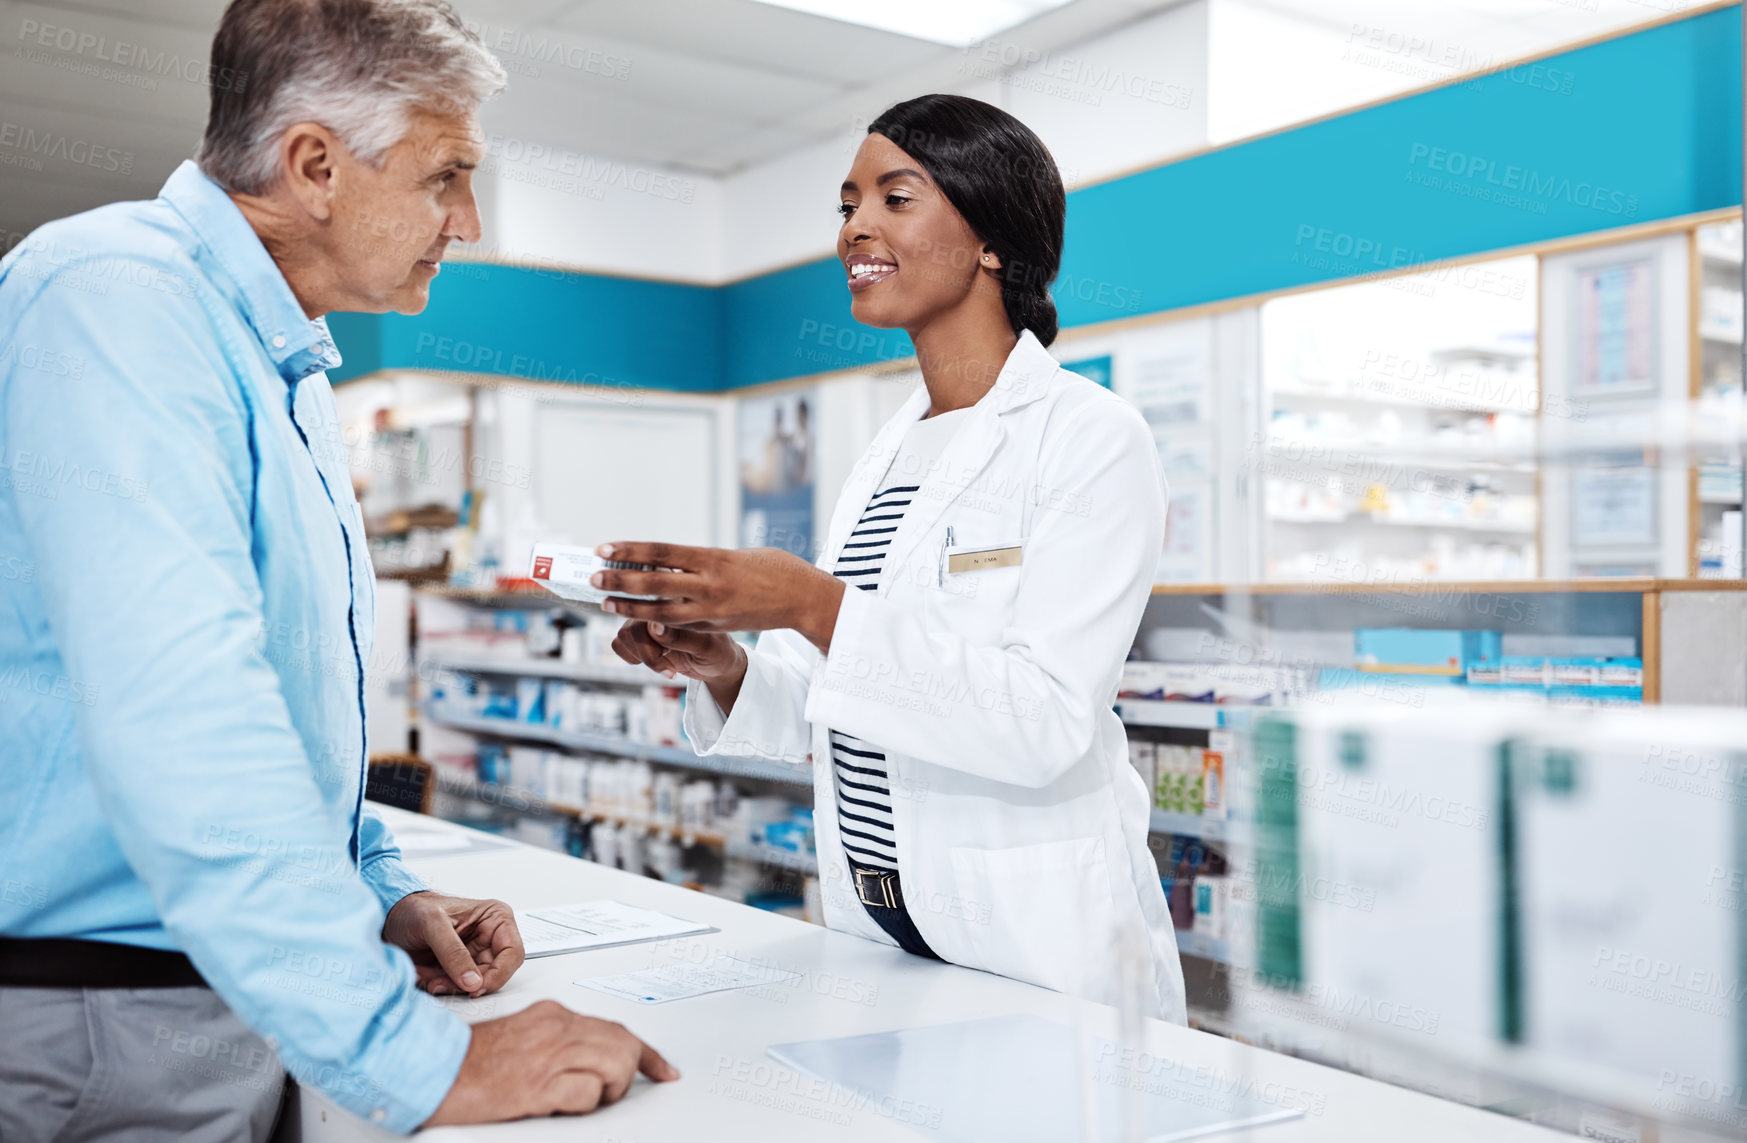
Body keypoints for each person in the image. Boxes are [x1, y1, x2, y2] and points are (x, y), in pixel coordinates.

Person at [0, 1, 673, 1138]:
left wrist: (378, 886)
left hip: (228, 999)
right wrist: (412, 1062)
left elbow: (292, 698)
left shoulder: (289, 369)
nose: (467, 219)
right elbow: (182, 706)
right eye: (447, 174)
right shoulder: (113, 298)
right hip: (101, 1018)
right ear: (314, 164)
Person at [601, 94, 1185, 1022]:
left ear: (991, 237)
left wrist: (811, 605)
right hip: (885, 933)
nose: (853, 230)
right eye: (845, 205)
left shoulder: (1090, 437)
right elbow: (841, 696)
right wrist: (728, 667)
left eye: (894, 198)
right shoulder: (888, 451)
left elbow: (1041, 720)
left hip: (1035, 944)